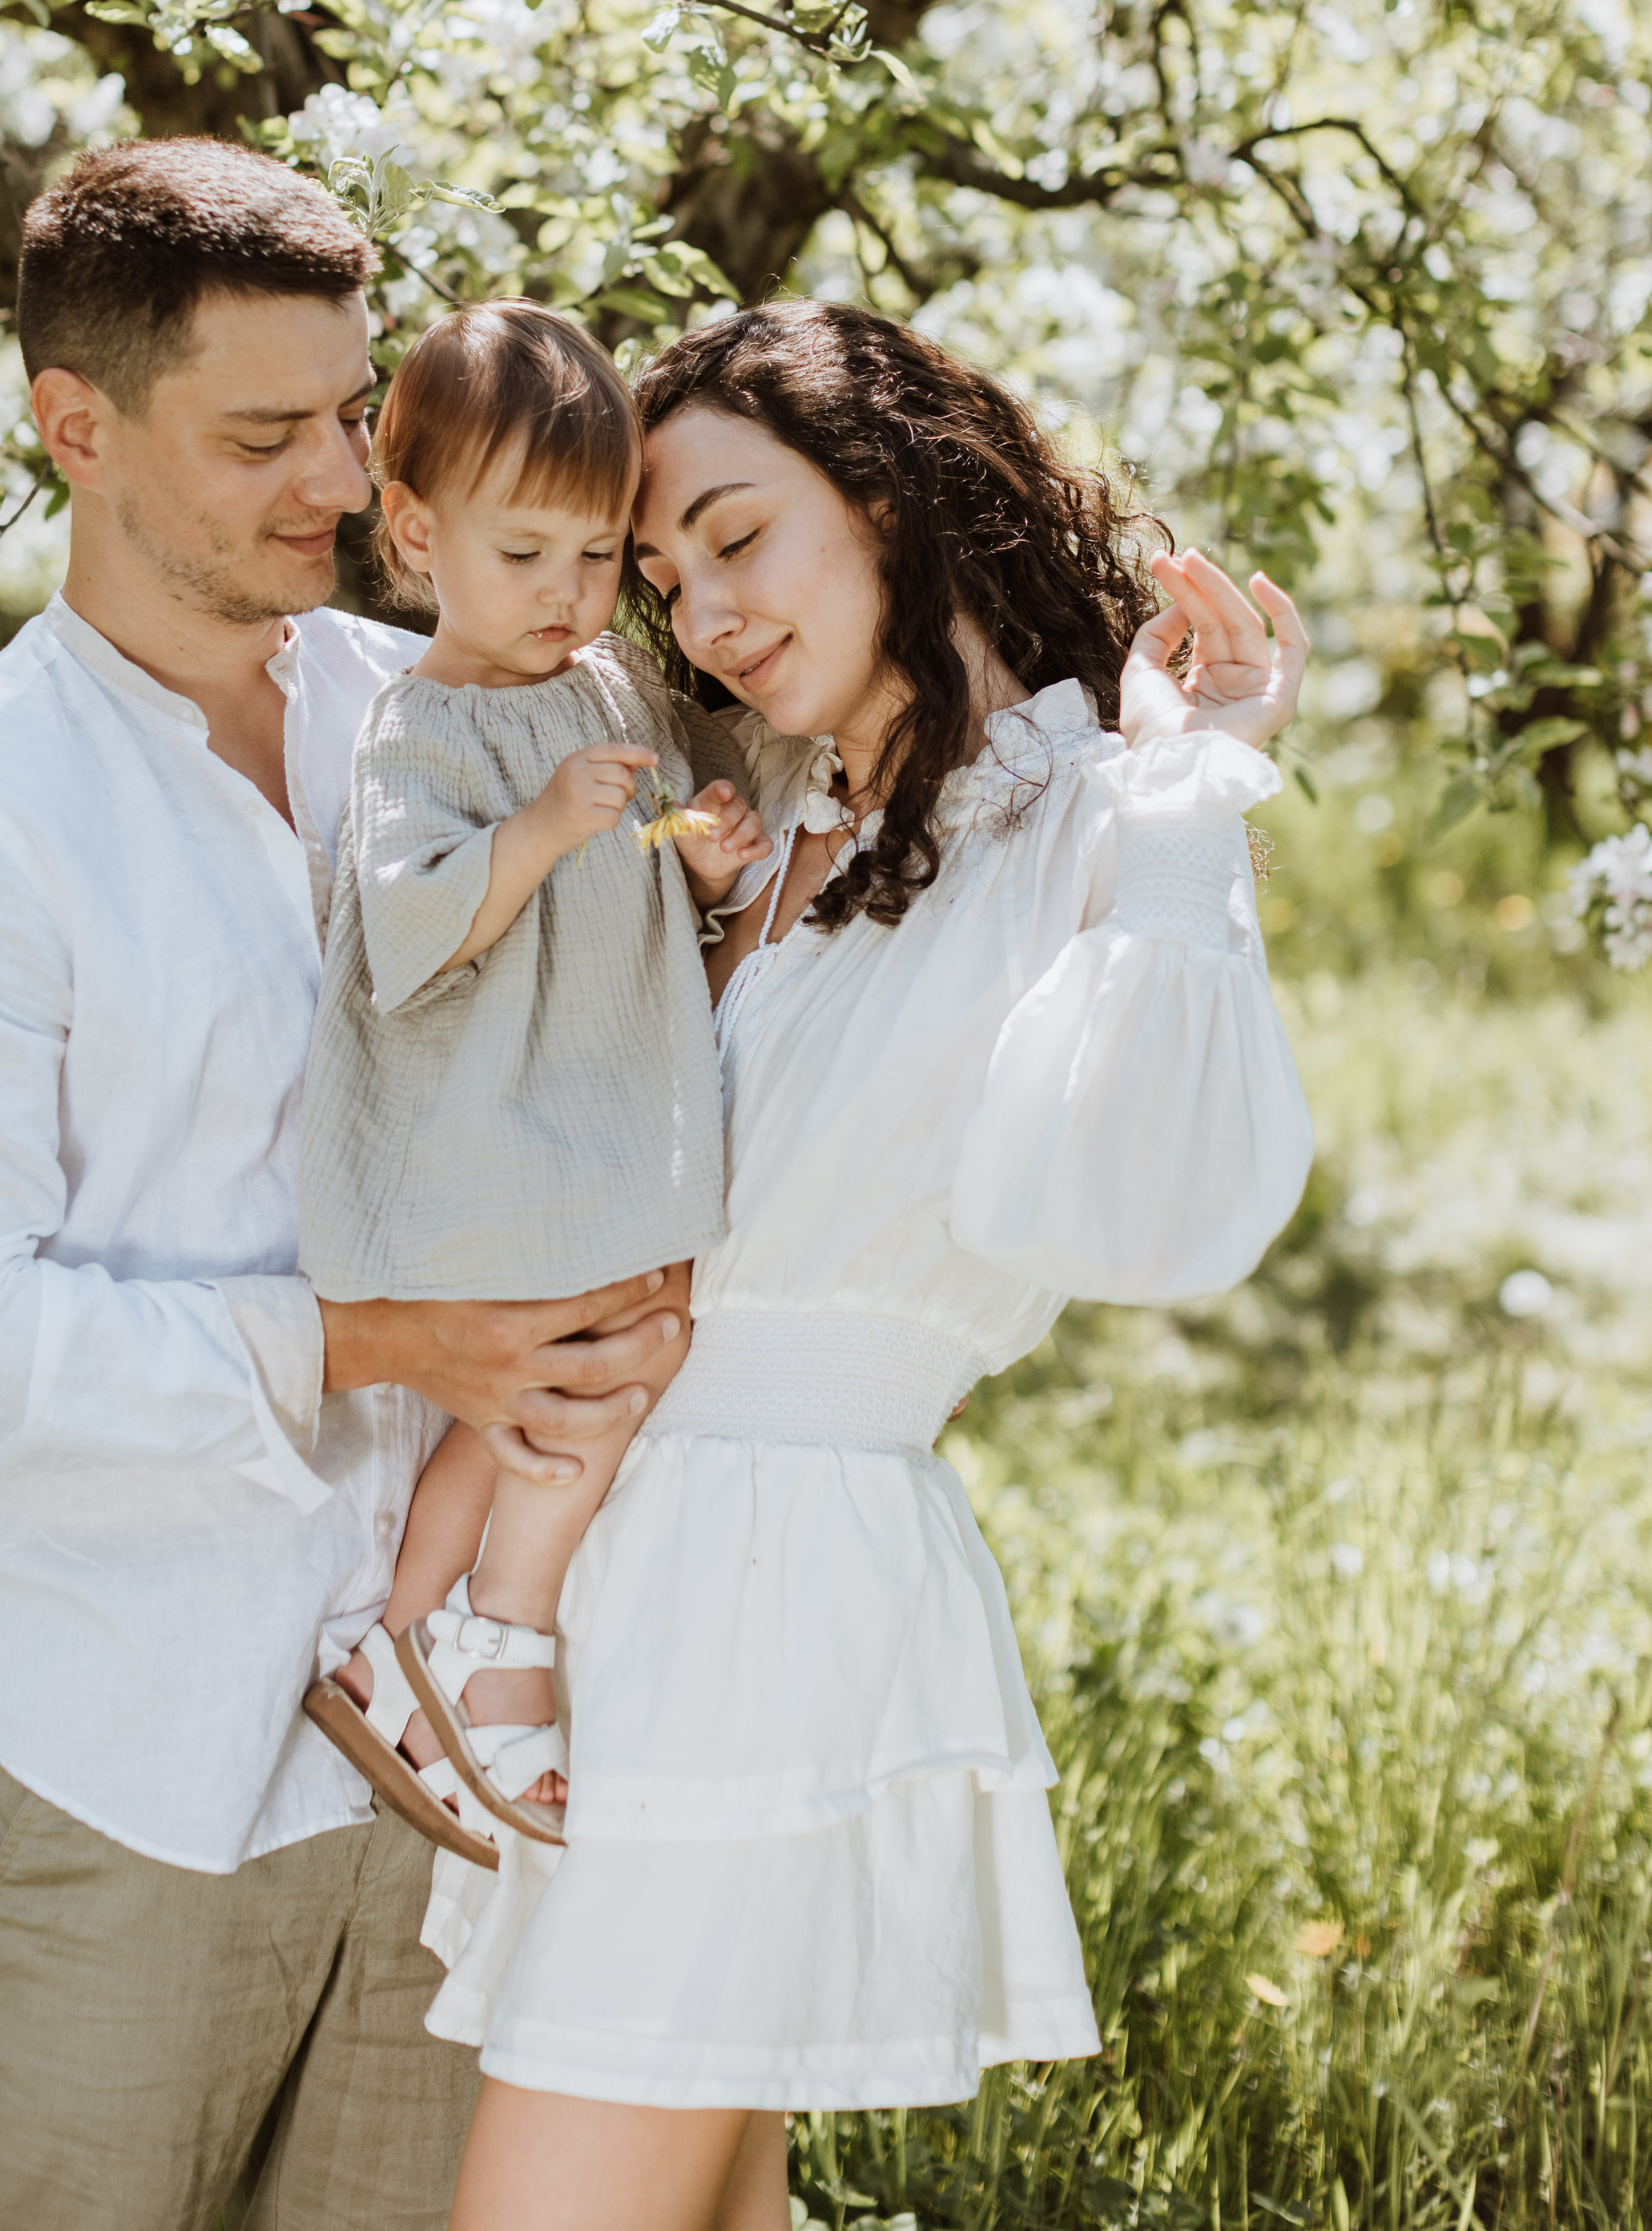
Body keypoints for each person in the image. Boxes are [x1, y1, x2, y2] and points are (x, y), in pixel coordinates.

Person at [0, 139, 687, 2231]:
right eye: (264, 432)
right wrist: (384, 1345)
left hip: (462, 1759)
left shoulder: (447, 709)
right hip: (130, 1766)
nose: (339, 479)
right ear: (75, 428)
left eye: (353, 415)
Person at [422, 299, 1318, 2231]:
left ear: (895, 496)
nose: (705, 612)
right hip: (629, 1578)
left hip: (769, 1590)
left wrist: (1191, 784)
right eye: (664, 579)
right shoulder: (806, 826)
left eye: (736, 537)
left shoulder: (1095, 807)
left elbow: (1149, 1212)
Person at [296, 305, 770, 1854]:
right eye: (526, 556)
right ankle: (504, 1636)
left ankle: (393, 1645)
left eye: (593, 557)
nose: (569, 595)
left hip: (592, 1116)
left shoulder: (612, 691)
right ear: (418, 531)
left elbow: (643, 874)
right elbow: (410, 926)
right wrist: (542, 830)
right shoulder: (420, 726)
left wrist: (697, 862)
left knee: (518, 1408)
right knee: (610, 1365)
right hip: (494, 1128)